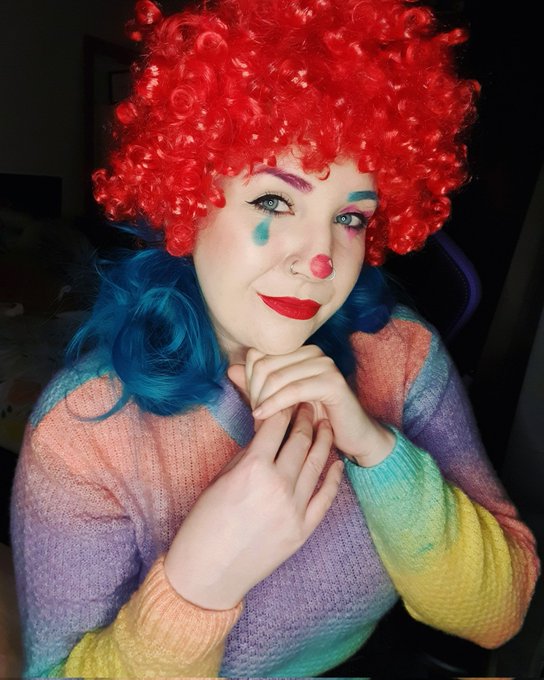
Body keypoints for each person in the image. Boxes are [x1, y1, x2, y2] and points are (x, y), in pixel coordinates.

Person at [10, 0, 540, 676]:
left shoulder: (400, 354)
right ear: (188, 199)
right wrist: (198, 583)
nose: (319, 260)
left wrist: (378, 452)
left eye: (350, 217)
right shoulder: (83, 432)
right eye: (274, 201)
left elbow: (499, 615)